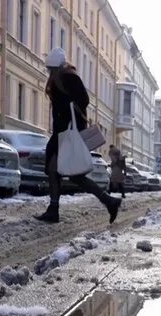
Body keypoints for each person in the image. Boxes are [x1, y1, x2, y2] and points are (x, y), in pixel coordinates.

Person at [34, 48, 121, 224]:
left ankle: (56, 210)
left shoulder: (69, 77)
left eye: (52, 69)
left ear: (59, 66)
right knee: (58, 170)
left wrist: (69, 108)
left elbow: (84, 100)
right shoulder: (60, 77)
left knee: (67, 172)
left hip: (69, 132)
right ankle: (107, 201)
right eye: (49, 69)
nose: (50, 73)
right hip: (63, 132)